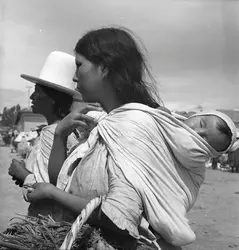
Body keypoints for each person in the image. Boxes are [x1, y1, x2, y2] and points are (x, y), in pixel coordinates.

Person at [25, 28, 237, 250]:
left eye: (80, 65)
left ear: (104, 68)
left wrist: (52, 194)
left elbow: (117, 215)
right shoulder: (108, 124)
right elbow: (65, 182)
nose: (74, 76)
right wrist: (60, 136)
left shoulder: (130, 129)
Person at [8, 51, 101, 218]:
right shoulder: (62, 131)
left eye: (37, 92)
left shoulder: (53, 133)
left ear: (51, 99)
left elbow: (56, 188)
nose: (32, 96)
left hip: (47, 220)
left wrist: (23, 175)